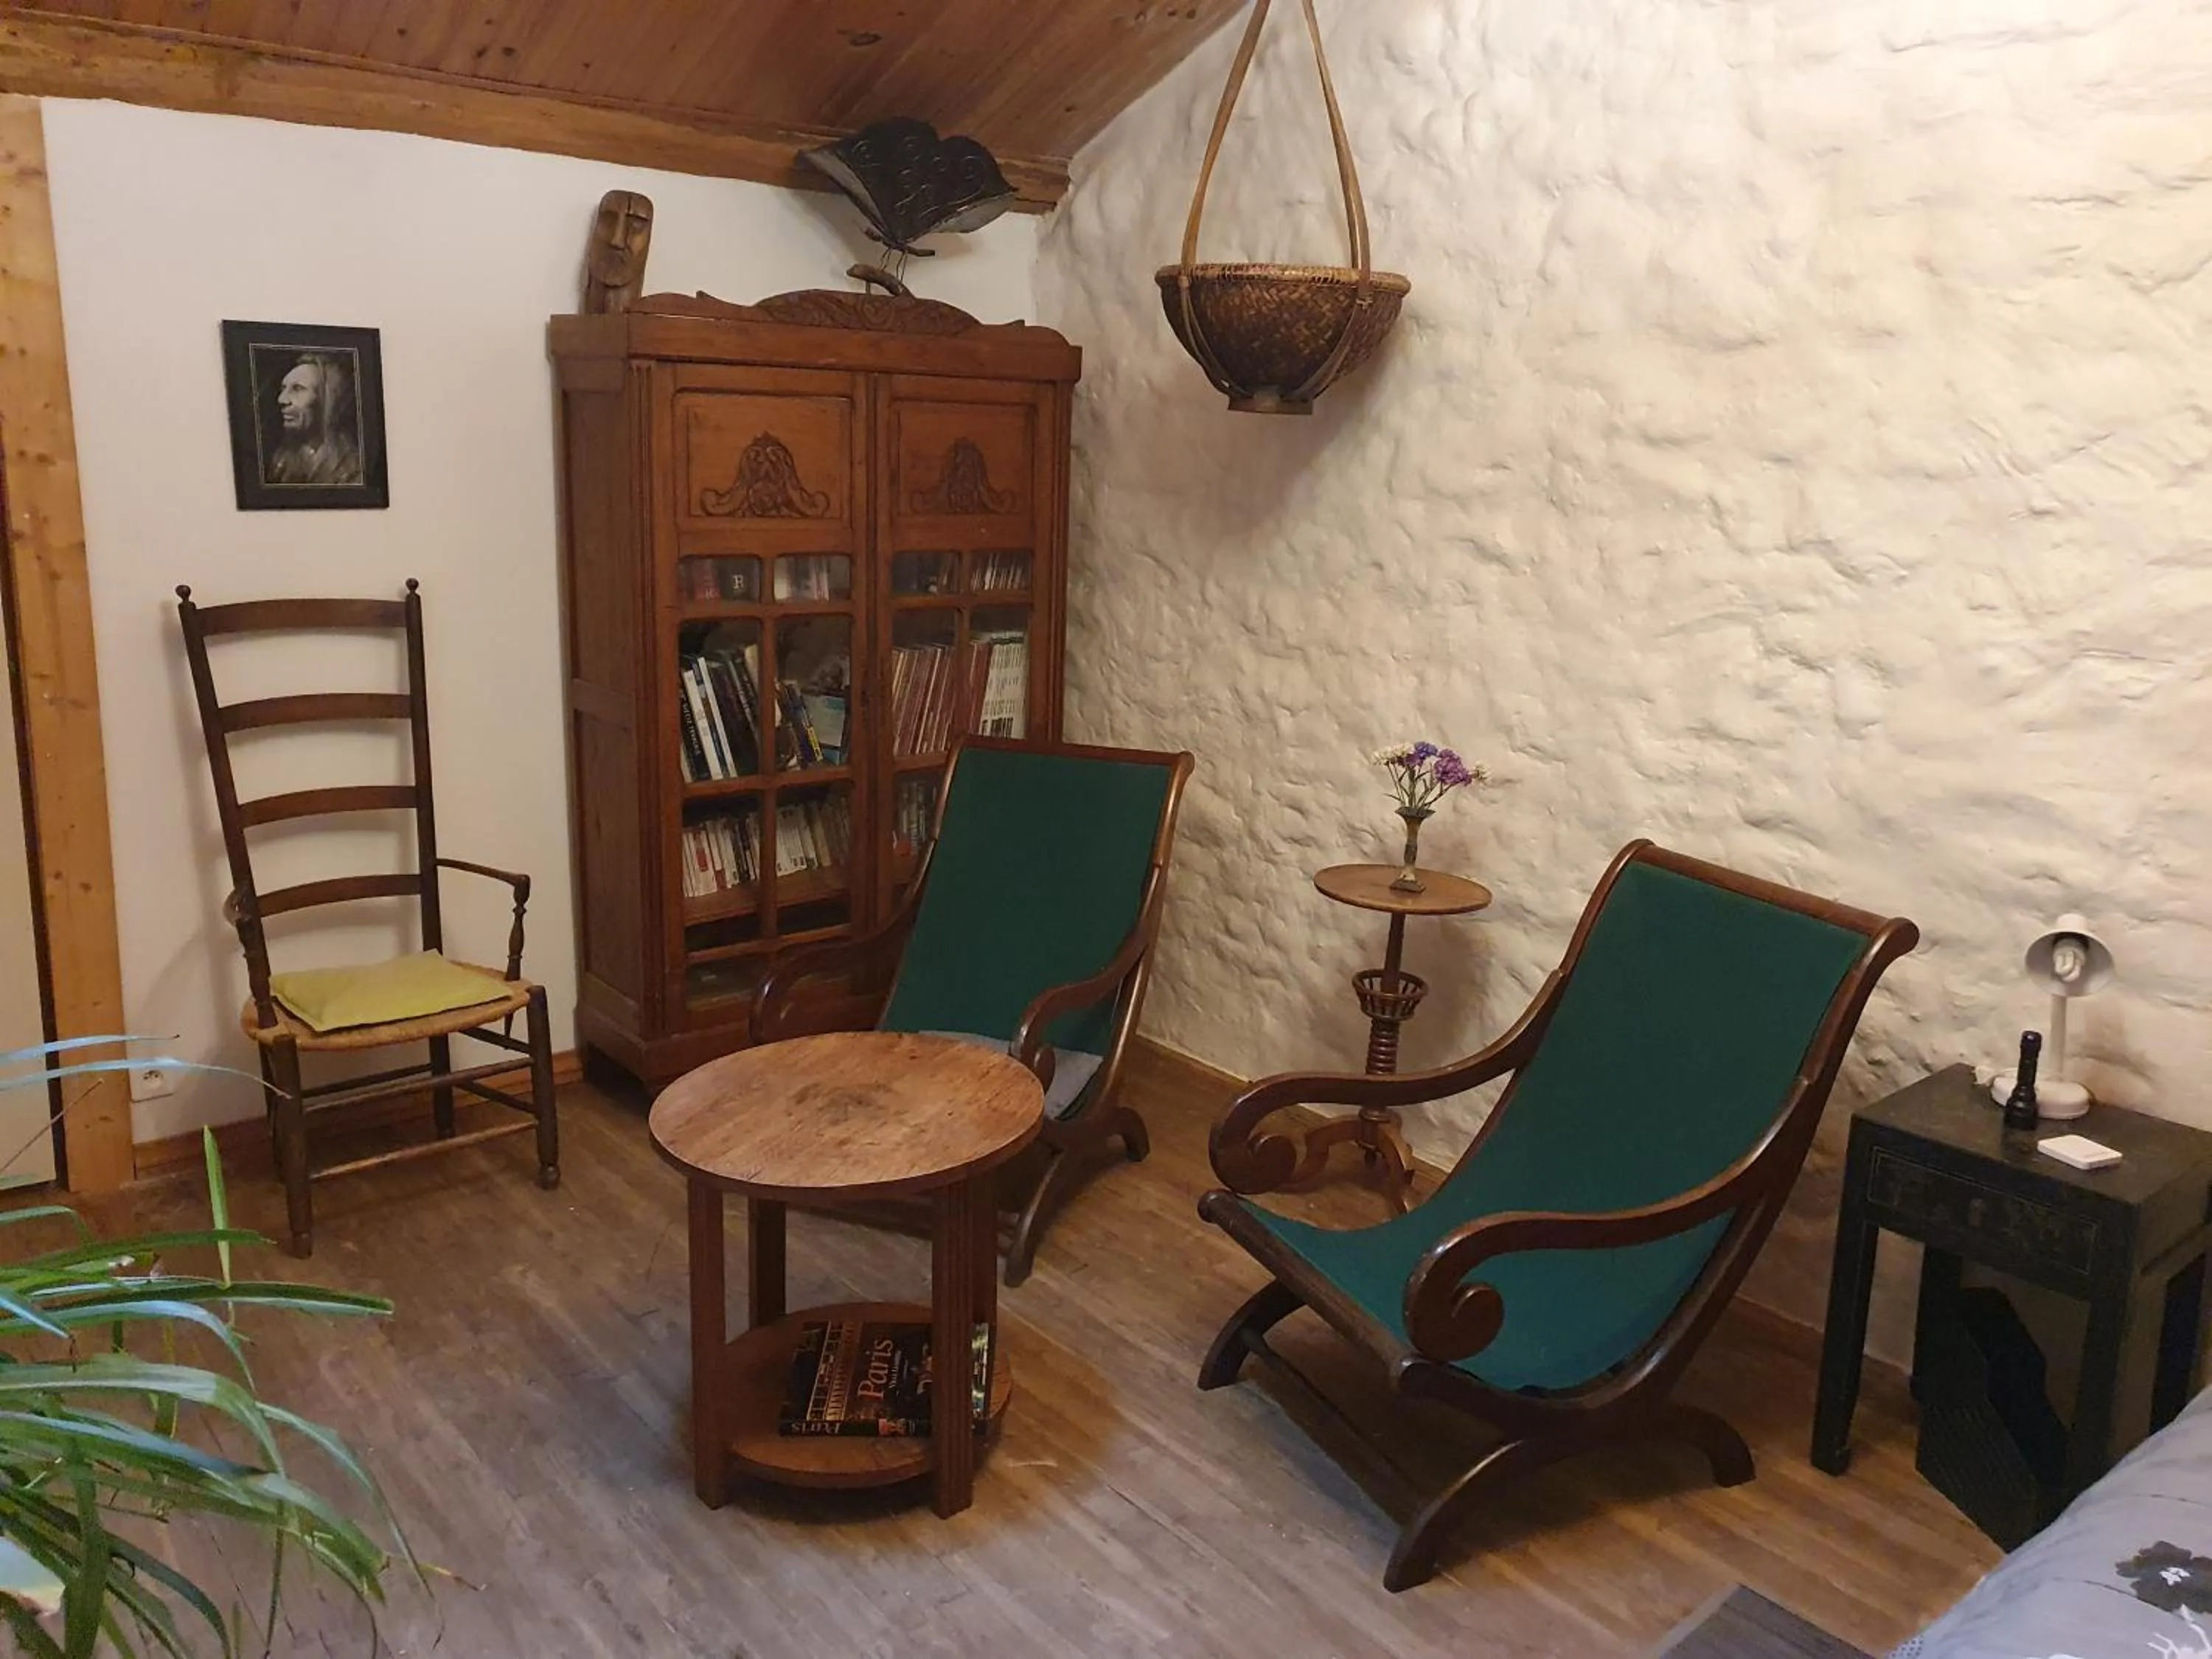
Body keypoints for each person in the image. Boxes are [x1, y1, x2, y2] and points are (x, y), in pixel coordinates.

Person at [263, 352, 362, 486]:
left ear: (327, 400)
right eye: (283, 389)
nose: (282, 399)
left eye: (298, 389)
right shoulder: (280, 459)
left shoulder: (353, 465)